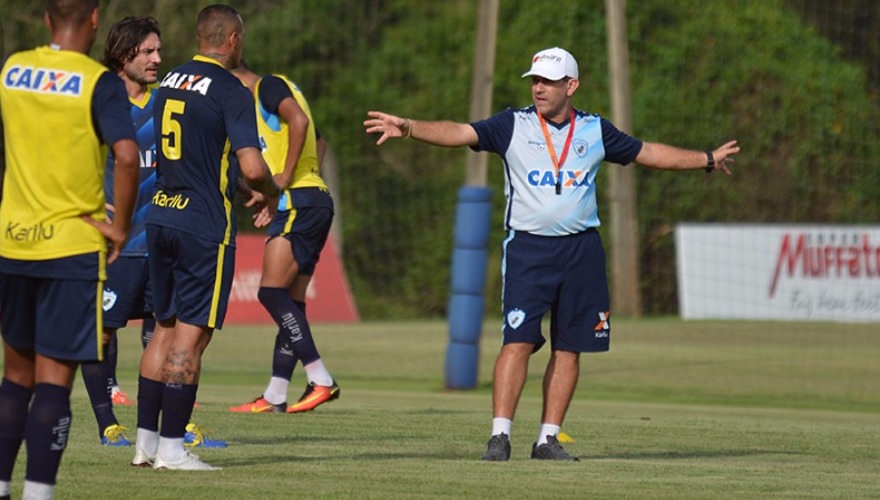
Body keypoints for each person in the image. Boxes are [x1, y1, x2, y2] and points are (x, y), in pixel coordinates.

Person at [364, 47, 739, 462]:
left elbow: (648, 153)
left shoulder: (596, 130)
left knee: (570, 346)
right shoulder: (512, 124)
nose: (538, 88)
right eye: (534, 81)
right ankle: (499, 436)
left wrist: (706, 159)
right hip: (528, 250)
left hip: (582, 251)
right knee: (517, 342)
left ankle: (547, 439)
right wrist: (410, 127)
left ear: (571, 86)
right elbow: (460, 132)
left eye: (547, 81)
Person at [131, 4, 282, 471]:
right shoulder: (232, 90)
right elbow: (254, 166)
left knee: (163, 330)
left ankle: (146, 445)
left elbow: (196, 159)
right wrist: (271, 193)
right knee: (190, 339)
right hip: (202, 227)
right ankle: (174, 450)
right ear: (233, 40)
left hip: (160, 216)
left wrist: (240, 185)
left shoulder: (170, 81)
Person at [0, 0, 139, 496]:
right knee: (53, 380)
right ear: (95, 19)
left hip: (14, 242)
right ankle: (39, 492)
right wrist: (120, 228)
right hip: (71, 248)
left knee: (16, 377)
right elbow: (127, 158)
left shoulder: (13, 70)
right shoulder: (98, 81)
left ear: (45, 20)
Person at [228, 62, 339, 415]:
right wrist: (285, 190)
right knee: (293, 299)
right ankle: (276, 393)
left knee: (271, 293)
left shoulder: (269, 87)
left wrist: (282, 182)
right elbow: (318, 143)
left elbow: (301, 123)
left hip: (299, 203)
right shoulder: (285, 87)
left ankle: (320, 378)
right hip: (314, 200)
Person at [76, 15, 162, 449]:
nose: (157, 59)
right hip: (117, 245)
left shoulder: (164, 102)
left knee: (163, 330)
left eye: (158, 50)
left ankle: (163, 427)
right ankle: (107, 422)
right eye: (147, 51)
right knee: (102, 332)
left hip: (161, 240)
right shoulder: (99, 99)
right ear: (123, 52)